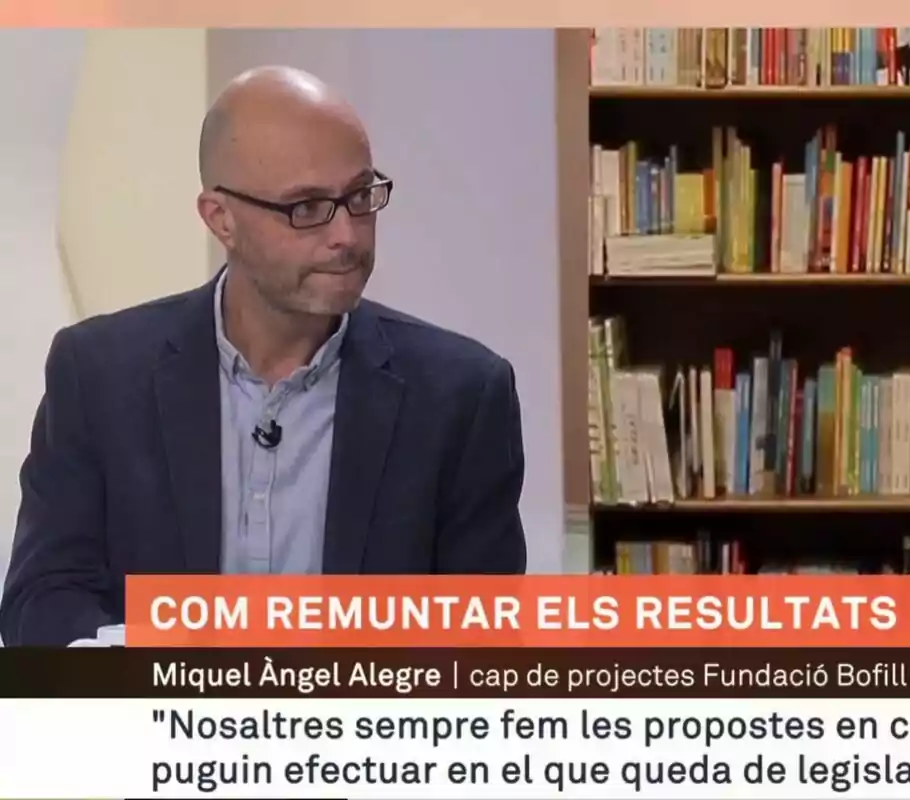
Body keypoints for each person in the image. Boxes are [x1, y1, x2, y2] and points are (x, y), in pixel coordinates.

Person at [0, 66, 527, 647]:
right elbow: (41, 601)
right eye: (306, 208)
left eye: (360, 196)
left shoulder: (463, 397)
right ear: (220, 218)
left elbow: (486, 644)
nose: (348, 235)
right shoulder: (98, 375)